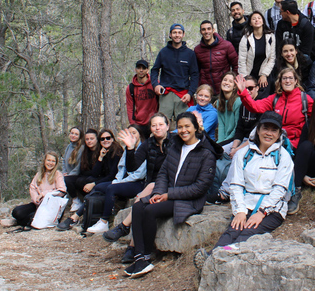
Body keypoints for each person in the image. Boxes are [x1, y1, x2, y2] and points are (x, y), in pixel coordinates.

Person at [124, 111, 220, 278]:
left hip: (189, 200)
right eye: (180, 127)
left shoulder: (206, 153)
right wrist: (159, 191)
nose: (183, 130)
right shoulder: (175, 147)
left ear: (196, 128)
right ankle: (140, 257)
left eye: (187, 126)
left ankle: (146, 255)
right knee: (139, 206)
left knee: (149, 210)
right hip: (168, 194)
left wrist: (168, 195)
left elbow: (200, 187)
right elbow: (163, 174)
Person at [201, 111, 294, 258]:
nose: (269, 133)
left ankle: (221, 257)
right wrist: (240, 211)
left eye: (273, 130)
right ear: (258, 129)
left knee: (248, 232)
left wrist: (261, 213)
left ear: (279, 133)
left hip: (272, 209)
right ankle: (211, 257)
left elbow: (280, 189)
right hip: (246, 203)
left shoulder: (283, 157)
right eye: (265, 128)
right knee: (233, 230)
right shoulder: (244, 153)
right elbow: (236, 184)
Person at [102, 113, 174, 250]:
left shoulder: (176, 141)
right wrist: (130, 149)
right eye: (154, 125)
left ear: (167, 126)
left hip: (171, 184)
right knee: (138, 204)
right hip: (153, 186)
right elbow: (132, 167)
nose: (157, 128)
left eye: (160, 124)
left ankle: (124, 227)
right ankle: (132, 246)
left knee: (145, 196)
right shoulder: (148, 144)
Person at [85, 124, 150, 234]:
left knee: (111, 188)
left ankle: (104, 221)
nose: (131, 135)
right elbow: (121, 167)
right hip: (123, 181)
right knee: (99, 187)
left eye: (134, 133)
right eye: (129, 133)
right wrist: (117, 180)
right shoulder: (128, 148)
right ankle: (85, 217)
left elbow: (138, 175)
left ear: (140, 134)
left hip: (138, 183)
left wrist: (119, 183)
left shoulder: (143, 148)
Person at [235, 68, 312, 150]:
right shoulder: (275, 99)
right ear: (280, 82)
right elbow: (255, 106)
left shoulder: (305, 99)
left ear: (296, 81)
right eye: (284, 78)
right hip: (275, 142)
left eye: (290, 78)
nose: (287, 81)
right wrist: (243, 92)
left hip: (296, 145)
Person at [151, 23, 199, 123]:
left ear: (183, 34)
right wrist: (156, 85)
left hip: (183, 94)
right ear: (170, 35)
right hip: (166, 93)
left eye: (179, 33)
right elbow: (154, 70)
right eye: (174, 33)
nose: (177, 35)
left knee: (184, 122)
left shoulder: (190, 54)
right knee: (162, 121)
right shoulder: (163, 52)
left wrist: (190, 93)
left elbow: (195, 75)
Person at [11, 151, 66, 230]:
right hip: (37, 204)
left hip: (49, 207)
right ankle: (24, 221)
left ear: (56, 163)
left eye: (53, 161)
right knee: (17, 212)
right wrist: (36, 198)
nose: (50, 163)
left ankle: (23, 222)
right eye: (48, 160)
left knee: (31, 218)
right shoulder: (39, 174)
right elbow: (32, 187)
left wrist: (44, 194)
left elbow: (62, 191)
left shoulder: (58, 175)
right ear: (44, 161)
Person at [194, 20, 238, 96]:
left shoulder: (226, 45)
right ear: (201, 32)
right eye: (203, 29)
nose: (206, 31)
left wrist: (233, 82)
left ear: (213, 30)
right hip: (206, 90)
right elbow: (196, 71)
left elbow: (236, 65)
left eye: (209, 29)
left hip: (224, 88)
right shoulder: (197, 50)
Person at [64, 129, 100, 212]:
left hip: (96, 178)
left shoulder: (98, 150)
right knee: (72, 180)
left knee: (84, 180)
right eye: (87, 139)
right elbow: (83, 168)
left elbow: (98, 170)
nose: (89, 141)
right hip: (85, 175)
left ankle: (91, 203)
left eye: (92, 139)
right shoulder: (85, 150)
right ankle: (80, 201)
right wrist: (64, 172)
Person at [238, 11, 275, 89]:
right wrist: (246, 78)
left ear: (263, 21)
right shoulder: (245, 39)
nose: (257, 20)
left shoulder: (270, 37)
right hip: (249, 74)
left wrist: (264, 74)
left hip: (265, 73)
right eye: (254, 19)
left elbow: (272, 58)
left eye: (259, 18)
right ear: (250, 23)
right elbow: (242, 60)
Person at [228, 76, 263, 158]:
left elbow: (256, 135)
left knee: (238, 156)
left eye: (250, 88)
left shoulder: (262, 104)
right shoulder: (243, 104)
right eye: (244, 88)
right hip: (242, 140)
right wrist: (234, 148)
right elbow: (239, 129)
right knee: (221, 151)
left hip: (255, 143)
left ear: (257, 88)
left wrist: (236, 150)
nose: (247, 91)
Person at [276, 0, 315, 64]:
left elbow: (306, 50)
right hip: (284, 57)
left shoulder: (306, 26)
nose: (280, 14)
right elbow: (278, 45)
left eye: (281, 11)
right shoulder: (281, 24)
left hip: (301, 60)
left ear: (287, 12)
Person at [125, 59, 159, 127]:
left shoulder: (155, 84)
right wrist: (132, 124)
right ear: (135, 69)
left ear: (147, 70)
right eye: (139, 68)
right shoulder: (131, 88)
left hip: (154, 122)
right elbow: (130, 107)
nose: (141, 70)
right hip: (139, 123)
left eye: (143, 68)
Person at [215, 72, 241, 148]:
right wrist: (220, 142)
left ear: (234, 86)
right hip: (224, 140)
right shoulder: (219, 102)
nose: (226, 83)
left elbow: (237, 127)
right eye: (225, 80)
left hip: (234, 140)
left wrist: (225, 142)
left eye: (230, 81)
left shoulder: (238, 102)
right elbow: (221, 125)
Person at [61, 126, 82, 193]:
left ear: (79, 136)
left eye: (76, 134)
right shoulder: (69, 146)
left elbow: (79, 167)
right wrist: (64, 172)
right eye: (72, 133)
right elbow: (64, 161)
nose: (73, 135)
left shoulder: (81, 148)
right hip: (67, 174)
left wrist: (69, 175)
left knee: (66, 180)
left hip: (75, 176)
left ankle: (75, 199)